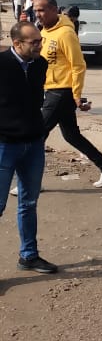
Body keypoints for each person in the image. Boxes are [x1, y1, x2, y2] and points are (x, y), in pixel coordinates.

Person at [36, 0, 102, 188]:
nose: (38, 14)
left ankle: (32, 180)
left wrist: (76, 94)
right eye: (36, 10)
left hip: (61, 91)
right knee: (71, 135)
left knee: (37, 134)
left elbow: (78, 65)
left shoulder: (66, 33)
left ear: (54, 10)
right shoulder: (44, 31)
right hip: (51, 88)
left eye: (41, 10)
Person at [0, 21, 58, 275]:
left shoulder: (40, 64)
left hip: (33, 145)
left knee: (28, 203)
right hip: (5, 145)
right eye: (34, 42)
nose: (40, 46)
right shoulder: (2, 65)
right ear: (17, 43)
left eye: (40, 40)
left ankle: (29, 256)